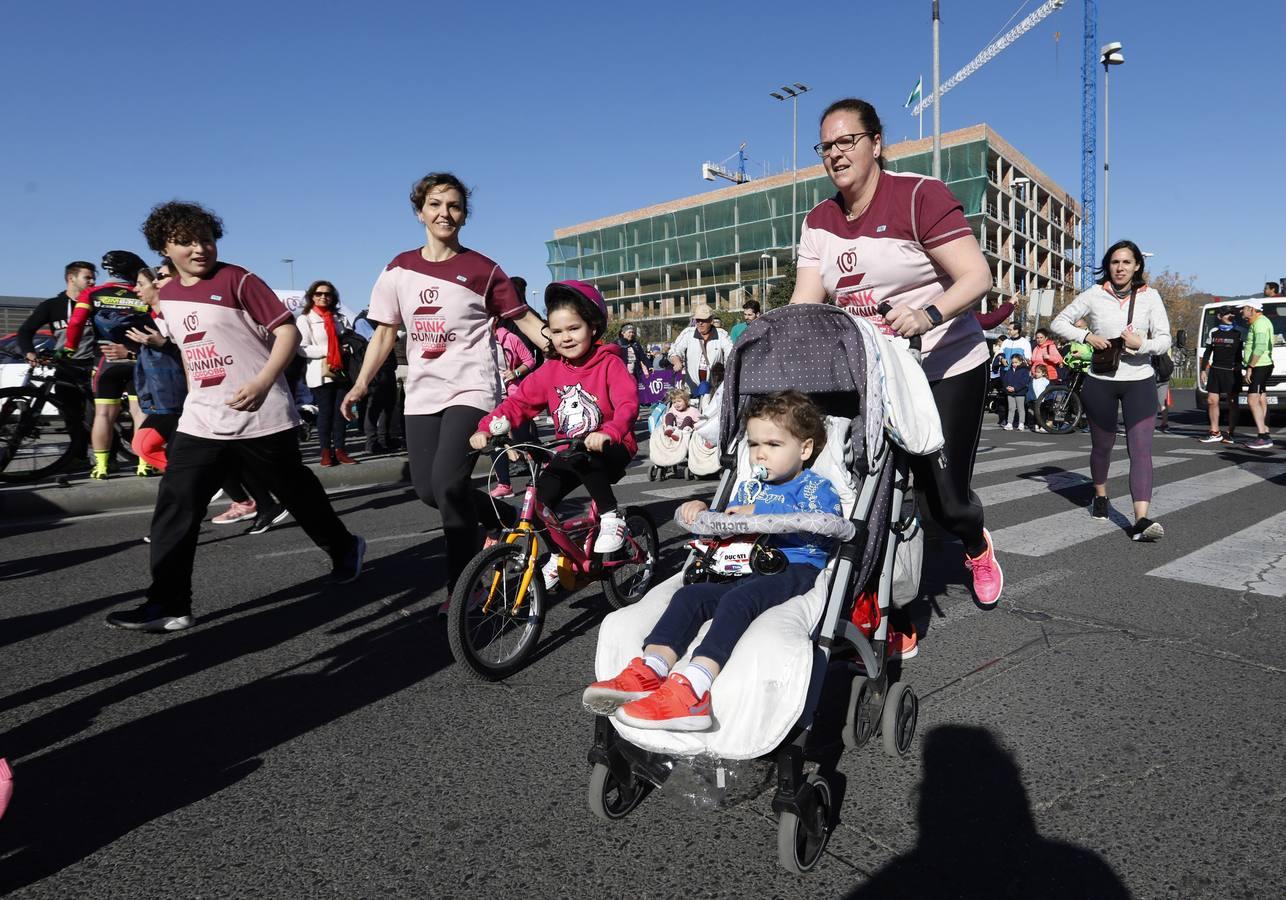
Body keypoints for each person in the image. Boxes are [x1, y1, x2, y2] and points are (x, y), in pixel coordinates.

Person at [104, 201, 365, 633]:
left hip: (262, 415)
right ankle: (169, 604)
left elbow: (288, 332)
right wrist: (192, 396)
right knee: (177, 504)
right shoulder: (167, 295)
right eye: (185, 242)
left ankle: (343, 547)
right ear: (164, 247)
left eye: (205, 239)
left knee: (296, 493)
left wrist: (263, 382)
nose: (199, 249)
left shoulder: (237, 279)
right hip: (203, 419)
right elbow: (190, 350)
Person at [789, 96, 1003, 610]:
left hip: (944, 362)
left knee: (942, 506)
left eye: (848, 141)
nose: (836, 154)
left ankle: (975, 544)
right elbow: (805, 303)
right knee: (862, 491)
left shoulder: (918, 196)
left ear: (876, 144)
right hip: (872, 372)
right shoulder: (819, 220)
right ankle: (883, 604)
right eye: (826, 146)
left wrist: (928, 314)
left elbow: (978, 277)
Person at [342, 172, 550, 593]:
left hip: (472, 387)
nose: (445, 213)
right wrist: (360, 384)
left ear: (464, 216)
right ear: (420, 212)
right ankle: (502, 518)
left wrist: (569, 344)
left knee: (449, 486)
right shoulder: (398, 269)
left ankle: (463, 587)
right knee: (427, 490)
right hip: (423, 391)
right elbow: (384, 333)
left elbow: (523, 318)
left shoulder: (483, 270)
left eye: (454, 206)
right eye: (436, 204)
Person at [582, 391, 841, 731]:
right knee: (691, 595)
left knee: (739, 600)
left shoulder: (813, 487)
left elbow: (825, 519)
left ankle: (694, 687)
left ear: (804, 450)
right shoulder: (749, 488)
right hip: (741, 561)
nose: (761, 453)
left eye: (774, 445)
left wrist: (760, 512)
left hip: (791, 564)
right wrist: (705, 511)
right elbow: (730, 517)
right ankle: (652, 667)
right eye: (754, 444)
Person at [470, 280, 639, 589]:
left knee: (586, 455)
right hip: (570, 452)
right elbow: (519, 403)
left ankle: (612, 517)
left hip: (612, 446)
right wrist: (487, 428)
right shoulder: (550, 370)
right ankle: (561, 556)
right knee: (537, 505)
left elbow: (628, 403)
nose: (565, 338)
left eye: (573, 329)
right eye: (557, 331)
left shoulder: (609, 364)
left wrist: (610, 431)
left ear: (593, 327)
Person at [1051, 239, 1171, 542]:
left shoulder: (1150, 297)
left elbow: (1164, 339)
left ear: (1137, 266)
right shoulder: (1093, 294)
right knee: (1102, 447)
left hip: (1140, 380)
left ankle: (1141, 520)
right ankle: (1100, 495)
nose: (1120, 268)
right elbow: (1059, 322)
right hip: (1100, 381)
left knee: (1141, 451)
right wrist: (1087, 335)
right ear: (1108, 265)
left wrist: (1140, 344)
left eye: (1126, 262)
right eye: (1115, 262)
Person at [60, 251, 153, 479]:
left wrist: (69, 348)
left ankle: (100, 466)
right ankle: (145, 463)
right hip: (137, 359)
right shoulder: (141, 291)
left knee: (103, 416)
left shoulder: (92, 292)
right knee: (140, 413)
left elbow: (76, 323)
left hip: (104, 360)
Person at [127, 261, 185, 474]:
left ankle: (192, 482)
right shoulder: (150, 319)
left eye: (141, 284)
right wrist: (131, 352)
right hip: (162, 398)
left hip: (183, 399)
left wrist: (164, 345)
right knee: (142, 445)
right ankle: (190, 480)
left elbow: (190, 356)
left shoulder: (176, 317)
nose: (135, 290)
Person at [297, 280, 358, 466]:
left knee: (341, 412)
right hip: (320, 372)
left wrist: (344, 349)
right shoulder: (305, 318)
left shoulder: (340, 318)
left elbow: (350, 339)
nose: (323, 297)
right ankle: (325, 452)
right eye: (318, 294)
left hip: (341, 372)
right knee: (325, 413)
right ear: (311, 296)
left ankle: (340, 450)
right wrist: (330, 351)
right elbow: (302, 349)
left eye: (327, 294)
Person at [487, 317, 537, 499]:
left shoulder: (510, 338)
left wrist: (515, 372)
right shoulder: (476, 342)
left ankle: (544, 464)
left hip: (513, 395)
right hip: (491, 396)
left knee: (522, 438)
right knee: (495, 439)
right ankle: (504, 485)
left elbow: (529, 360)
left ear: (494, 320)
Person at [17, 260, 97, 367]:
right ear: (71, 278)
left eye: (94, 279)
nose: (92, 282)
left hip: (94, 365)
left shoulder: (98, 305)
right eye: (87, 278)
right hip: (63, 364)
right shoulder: (51, 305)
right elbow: (25, 331)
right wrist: (29, 353)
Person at [351, 308, 402, 453]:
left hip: (387, 367)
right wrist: (392, 335)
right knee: (374, 407)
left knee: (389, 405)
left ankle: (384, 439)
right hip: (375, 369)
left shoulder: (377, 319)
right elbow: (376, 340)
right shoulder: (363, 320)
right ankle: (372, 442)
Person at [1199, 305, 1245, 443]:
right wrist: (1203, 370)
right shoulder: (1213, 332)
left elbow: (1241, 354)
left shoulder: (1239, 333)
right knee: (1212, 401)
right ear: (1220, 317)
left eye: (1232, 313)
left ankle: (1231, 432)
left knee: (1232, 402)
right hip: (1215, 370)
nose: (1230, 316)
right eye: (1227, 314)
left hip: (1231, 371)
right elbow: (1207, 352)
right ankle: (1214, 432)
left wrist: (1240, 367)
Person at [669, 304, 732, 394]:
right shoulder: (688, 333)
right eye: (697, 320)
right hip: (691, 384)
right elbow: (675, 350)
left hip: (714, 385)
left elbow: (730, 353)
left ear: (711, 320)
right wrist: (676, 361)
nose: (700, 323)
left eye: (703, 320)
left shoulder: (722, 334)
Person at [1240, 299, 1275, 451]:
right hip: (1262, 365)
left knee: (1252, 398)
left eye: (1244, 309)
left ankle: (1263, 436)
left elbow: (1260, 347)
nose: (1241, 311)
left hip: (1260, 366)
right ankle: (1264, 430)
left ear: (1252, 309)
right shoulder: (1258, 322)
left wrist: (1250, 367)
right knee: (1260, 397)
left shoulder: (1260, 323)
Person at [1001, 355, 1031, 431]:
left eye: (1016, 362)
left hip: (1020, 392)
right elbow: (1005, 380)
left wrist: (1015, 388)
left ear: (1020, 362)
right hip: (1010, 392)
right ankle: (1009, 423)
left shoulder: (1024, 370)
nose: (1014, 364)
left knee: (1021, 409)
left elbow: (1024, 382)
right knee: (1011, 408)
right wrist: (1007, 387)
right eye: (1012, 362)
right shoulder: (1009, 370)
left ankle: (1021, 423)